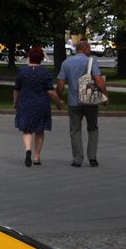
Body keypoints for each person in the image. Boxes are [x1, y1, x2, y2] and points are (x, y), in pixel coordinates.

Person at [57, 39, 107, 167]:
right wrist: (105, 96)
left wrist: (58, 98)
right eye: (89, 48)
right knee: (93, 128)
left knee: (75, 130)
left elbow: (61, 84)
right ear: (86, 49)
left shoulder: (66, 63)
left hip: (74, 102)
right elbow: (99, 80)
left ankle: (77, 159)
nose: (90, 51)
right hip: (90, 101)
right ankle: (92, 158)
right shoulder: (91, 61)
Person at [13, 46, 62, 167]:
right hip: (41, 104)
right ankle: (36, 156)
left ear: (29, 57)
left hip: (25, 103)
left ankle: (28, 149)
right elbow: (50, 91)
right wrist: (58, 102)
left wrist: (15, 102)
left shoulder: (22, 71)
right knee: (39, 130)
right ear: (41, 58)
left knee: (27, 129)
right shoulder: (45, 72)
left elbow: (16, 90)